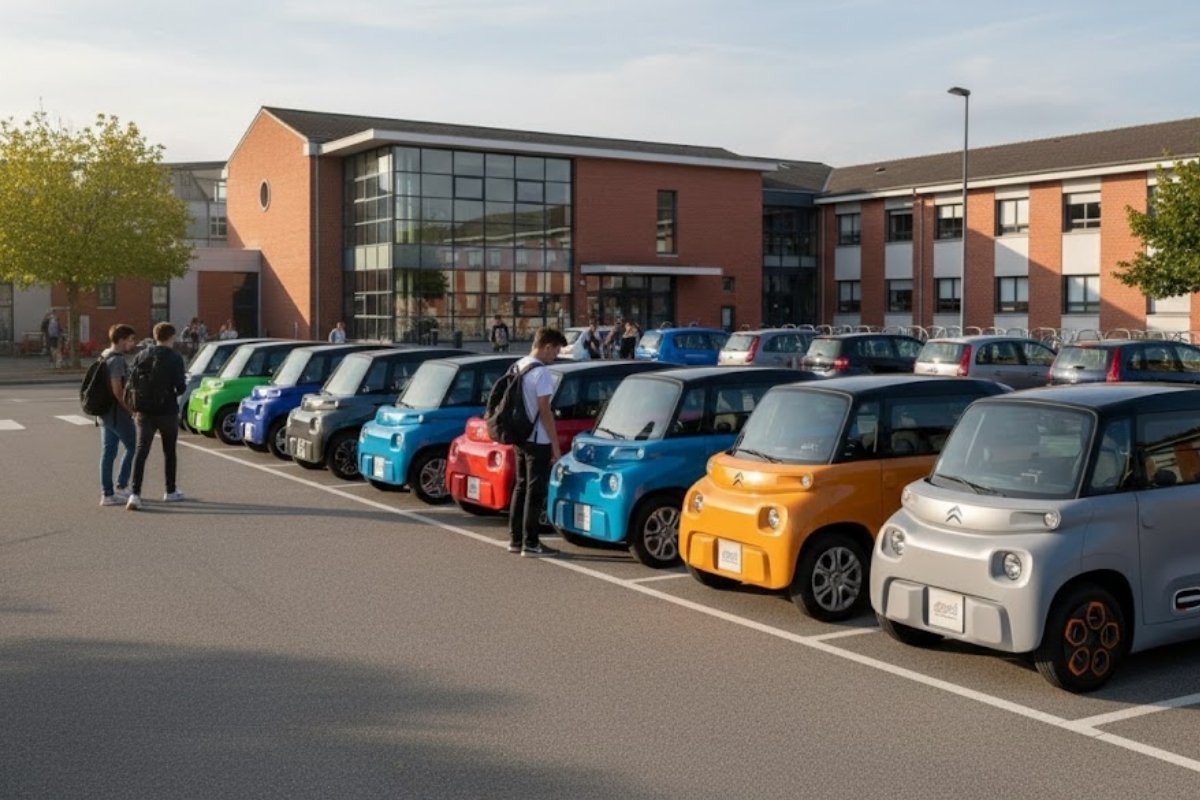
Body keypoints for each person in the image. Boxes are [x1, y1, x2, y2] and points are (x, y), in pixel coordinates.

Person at [508, 327, 567, 557]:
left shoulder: (517, 366)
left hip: (520, 435)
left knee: (521, 486)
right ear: (547, 346)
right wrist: (555, 444)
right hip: (538, 438)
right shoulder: (541, 373)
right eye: (555, 351)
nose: (555, 356)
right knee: (535, 491)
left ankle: (515, 539)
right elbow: (545, 410)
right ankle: (531, 542)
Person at [126, 322, 187, 511]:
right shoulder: (175, 357)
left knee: (141, 451)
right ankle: (170, 490)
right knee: (169, 452)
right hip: (167, 410)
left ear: (155, 336)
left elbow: (132, 380)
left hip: (144, 411)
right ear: (171, 337)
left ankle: (135, 494)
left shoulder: (142, 355)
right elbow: (180, 387)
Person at [98, 324, 138, 506]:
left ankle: (108, 494)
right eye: (131, 339)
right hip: (117, 413)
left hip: (105, 412)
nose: (133, 343)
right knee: (132, 447)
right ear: (121, 340)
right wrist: (131, 410)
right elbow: (117, 389)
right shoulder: (117, 360)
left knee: (109, 452)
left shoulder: (104, 355)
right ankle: (120, 486)